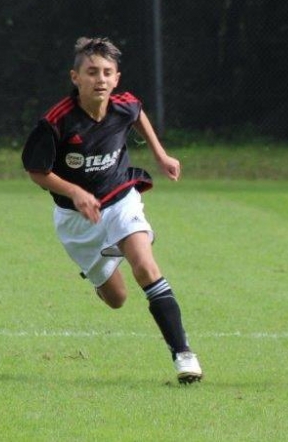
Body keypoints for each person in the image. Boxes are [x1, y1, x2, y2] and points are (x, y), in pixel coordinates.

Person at [21, 37, 203, 384]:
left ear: (116, 78)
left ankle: (183, 355)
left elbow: (138, 113)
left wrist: (161, 154)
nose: (100, 79)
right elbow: (36, 170)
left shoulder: (123, 105)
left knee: (145, 267)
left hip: (119, 197)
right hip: (77, 220)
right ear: (75, 77)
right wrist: (75, 192)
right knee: (117, 299)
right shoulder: (57, 122)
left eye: (107, 72)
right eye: (92, 72)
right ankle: (105, 264)